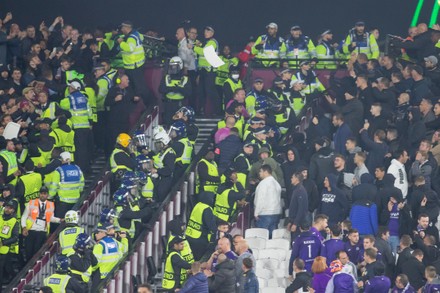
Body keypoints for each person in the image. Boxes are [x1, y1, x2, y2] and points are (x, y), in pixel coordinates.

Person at [60, 80, 93, 173]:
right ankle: (87, 168)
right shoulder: (84, 98)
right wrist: (90, 123)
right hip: (86, 127)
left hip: (76, 128)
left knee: (79, 150)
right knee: (85, 148)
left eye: (69, 87)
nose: (68, 89)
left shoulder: (70, 99)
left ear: (72, 88)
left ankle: (81, 169)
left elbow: (61, 104)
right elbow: (89, 112)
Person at [21, 186, 61, 261]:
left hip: (42, 231)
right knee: (28, 252)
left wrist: (59, 220)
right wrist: (24, 227)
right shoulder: (31, 202)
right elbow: (24, 216)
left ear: (47, 195)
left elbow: (50, 218)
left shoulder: (51, 204)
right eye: (41, 193)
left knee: (37, 252)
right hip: (31, 230)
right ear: (39, 194)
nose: (43, 195)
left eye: (44, 193)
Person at [105, 74, 140, 156]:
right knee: (114, 139)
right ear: (120, 81)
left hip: (125, 120)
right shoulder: (113, 90)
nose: (128, 81)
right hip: (114, 120)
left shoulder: (129, 90)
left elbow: (132, 99)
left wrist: (135, 99)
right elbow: (106, 103)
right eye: (126, 79)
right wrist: (115, 99)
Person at [117, 21, 150, 108]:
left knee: (139, 87)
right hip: (135, 65)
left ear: (127, 28)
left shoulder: (131, 38)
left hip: (134, 66)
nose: (121, 29)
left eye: (122, 28)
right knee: (136, 87)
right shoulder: (136, 34)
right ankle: (141, 104)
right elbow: (141, 38)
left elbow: (130, 49)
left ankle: (148, 104)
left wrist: (121, 42)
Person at [193, 26, 220, 115]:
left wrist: (194, 47)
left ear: (212, 33)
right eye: (205, 31)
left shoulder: (212, 42)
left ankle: (217, 111)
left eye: (208, 32)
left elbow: (205, 52)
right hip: (203, 71)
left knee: (210, 91)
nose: (205, 33)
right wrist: (199, 45)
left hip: (210, 71)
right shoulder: (207, 42)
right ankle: (201, 110)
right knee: (201, 92)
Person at [49, 151, 84, 218]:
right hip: (75, 201)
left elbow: (54, 186)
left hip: (63, 202)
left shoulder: (59, 171)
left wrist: (49, 197)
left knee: (61, 222)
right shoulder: (77, 169)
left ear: (62, 159)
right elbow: (81, 184)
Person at [185, 191, 219, 261]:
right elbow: (212, 227)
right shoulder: (207, 209)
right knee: (199, 260)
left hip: (189, 235)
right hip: (199, 239)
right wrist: (212, 242)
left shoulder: (197, 205)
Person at [159, 56, 191, 126]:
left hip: (180, 105)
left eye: (174, 66)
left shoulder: (185, 79)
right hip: (168, 104)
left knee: (180, 124)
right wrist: (173, 89)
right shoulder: (166, 77)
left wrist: (178, 89)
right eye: (171, 66)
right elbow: (161, 89)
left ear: (180, 66)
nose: (173, 68)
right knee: (168, 124)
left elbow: (189, 92)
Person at [254, 164, 281, 238]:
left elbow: (260, 199)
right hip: (276, 213)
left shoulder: (263, 184)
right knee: (272, 237)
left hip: (264, 213)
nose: (259, 173)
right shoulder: (277, 184)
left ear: (265, 172)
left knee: (262, 237)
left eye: (261, 171)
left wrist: (256, 212)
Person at [150, 126, 176, 202]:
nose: (156, 145)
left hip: (166, 181)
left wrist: (157, 170)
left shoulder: (169, 153)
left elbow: (169, 169)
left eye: (158, 143)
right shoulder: (162, 152)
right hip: (160, 180)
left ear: (164, 141)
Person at [0, 201, 19, 289]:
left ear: (13, 210)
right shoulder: (0, 216)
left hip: (4, 249)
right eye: (7, 207)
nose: (7, 209)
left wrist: (3, 242)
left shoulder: (14, 221)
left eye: (10, 208)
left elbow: (15, 237)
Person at [288, 171, 310, 237]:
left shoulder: (300, 190)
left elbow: (301, 209)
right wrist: (290, 222)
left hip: (299, 224)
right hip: (294, 221)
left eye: (292, 177)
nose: (291, 179)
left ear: (297, 179)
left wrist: (295, 223)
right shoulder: (296, 189)